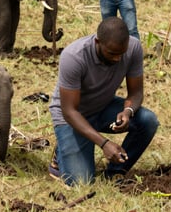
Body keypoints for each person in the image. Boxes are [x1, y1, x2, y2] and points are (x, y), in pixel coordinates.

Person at [48, 17, 159, 185]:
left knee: (148, 121)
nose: (117, 59)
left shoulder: (133, 48)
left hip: (102, 106)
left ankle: (115, 171)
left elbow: (136, 93)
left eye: (121, 54)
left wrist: (128, 112)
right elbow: (69, 111)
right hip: (71, 118)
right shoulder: (74, 56)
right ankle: (61, 152)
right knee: (81, 182)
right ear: (97, 42)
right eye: (112, 53)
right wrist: (104, 143)